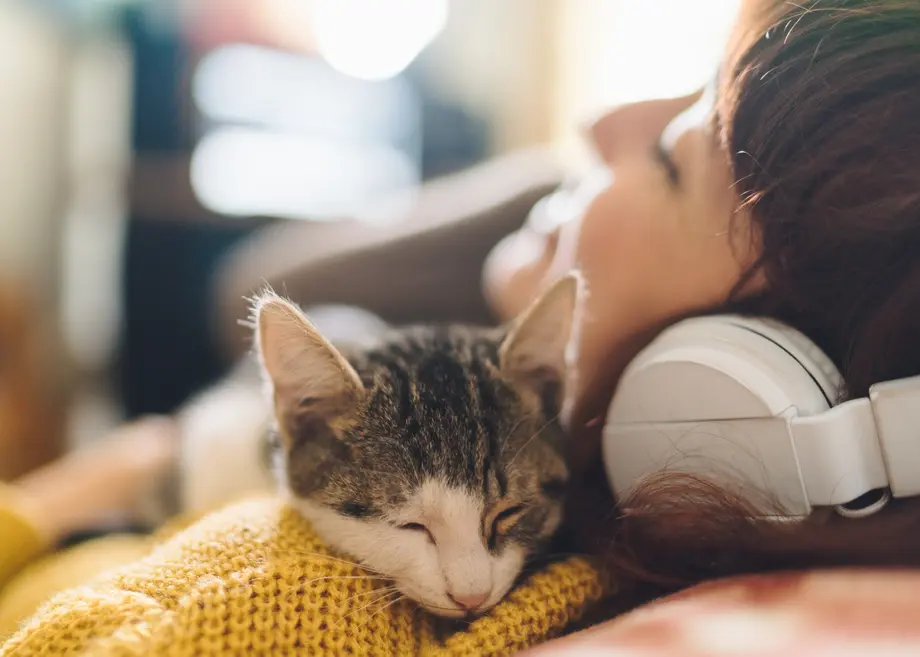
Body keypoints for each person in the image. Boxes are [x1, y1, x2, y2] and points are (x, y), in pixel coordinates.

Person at [4, 0, 920, 653]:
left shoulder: (259, 597)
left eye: (677, 158)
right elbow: (256, 286)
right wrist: (553, 235)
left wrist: (57, 500)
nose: (601, 120)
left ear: (749, 383)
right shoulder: (507, 420)